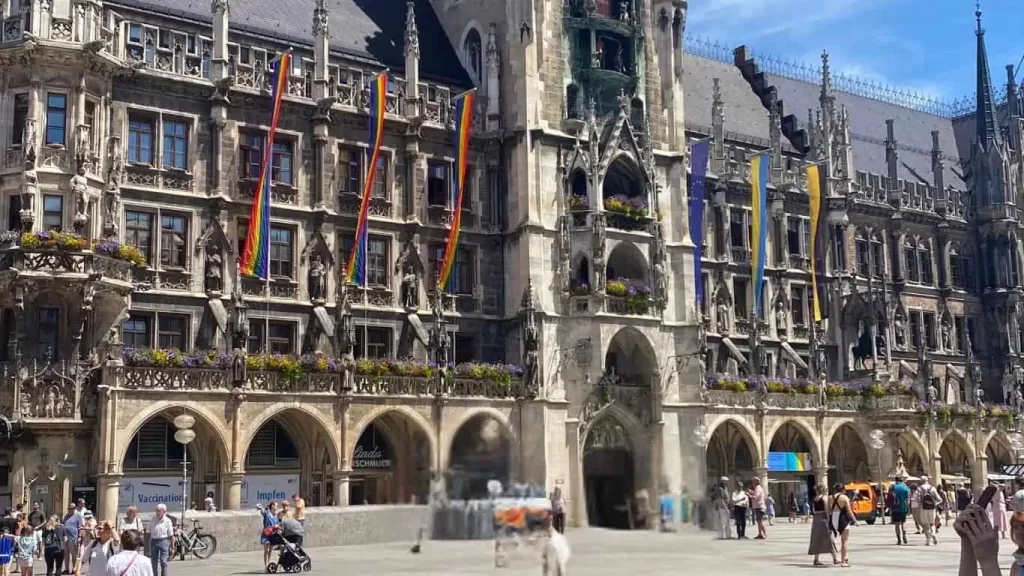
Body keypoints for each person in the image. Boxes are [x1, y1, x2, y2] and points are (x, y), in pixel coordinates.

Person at [829, 482, 857, 567]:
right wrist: (855, 521)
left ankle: (841, 557)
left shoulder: (830, 497)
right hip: (842, 519)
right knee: (844, 541)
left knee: (835, 539)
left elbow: (828, 509)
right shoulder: (844, 497)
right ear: (843, 489)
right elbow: (849, 511)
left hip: (833, 518)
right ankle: (843, 561)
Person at [807, 484, 836, 566]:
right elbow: (827, 510)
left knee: (817, 538)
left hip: (816, 519)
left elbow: (813, 510)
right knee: (829, 538)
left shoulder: (814, 499)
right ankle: (835, 558)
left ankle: (816, 559)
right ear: (823, 490)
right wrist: (829, 520)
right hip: (823, 519)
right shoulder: (824, 498)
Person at [147, 504, 174, 576]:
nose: (157, 512)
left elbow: (171, 535)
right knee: (154, 562)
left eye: (159, 511)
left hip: (164, 541)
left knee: (164, 561)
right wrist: (146, 545)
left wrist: (172, 546)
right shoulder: (152, 519)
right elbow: (148, 533)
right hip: (154, 541)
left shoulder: (168, 521)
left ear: (164, 511)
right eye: (156, 510)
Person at [918, 475, 941, 545]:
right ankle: (933, 533)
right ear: (927, 481)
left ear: (921, 481)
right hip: (932, 508)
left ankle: (928, 540)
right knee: (932, 523)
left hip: (923, 508)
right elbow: (940, 499)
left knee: (925, 524)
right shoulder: (932, 488)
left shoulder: (919, 489)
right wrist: (935, 503)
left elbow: (917, 499)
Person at [890, 475, 911, 545]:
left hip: (895, 508)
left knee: (897, 524)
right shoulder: (906, 487)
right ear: (902, 480)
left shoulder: (892, 487)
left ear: (895, 480)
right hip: (903, 507)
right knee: (903, 522)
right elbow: (908, 499)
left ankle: (899, 539)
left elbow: (889, 497)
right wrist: (908, 508)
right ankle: (904, 535)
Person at [258, 502, 279, 569]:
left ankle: (268, 563)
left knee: (270, 550)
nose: (277, 507)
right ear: (272, 506)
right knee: (266, 550)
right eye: (276, 506)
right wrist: (261, 508)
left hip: (273, 534)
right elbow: (262, 512)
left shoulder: (276, 515)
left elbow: (277, 523)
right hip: (266, 534)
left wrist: (277, 526)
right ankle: (266, 565)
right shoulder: (267, 513)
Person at [62, 505, 82, 575]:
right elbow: (63, 525)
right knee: (66, 555)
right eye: (69, 508)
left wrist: (79, 536)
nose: (70, 510)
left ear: (74, 509)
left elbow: (80, 527)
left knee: (74, 555)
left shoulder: (77, 516)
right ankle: (66, 569)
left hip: (73, 538)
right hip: (65, 538)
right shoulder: (66, 516)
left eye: (72, 508)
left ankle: (74, 569)